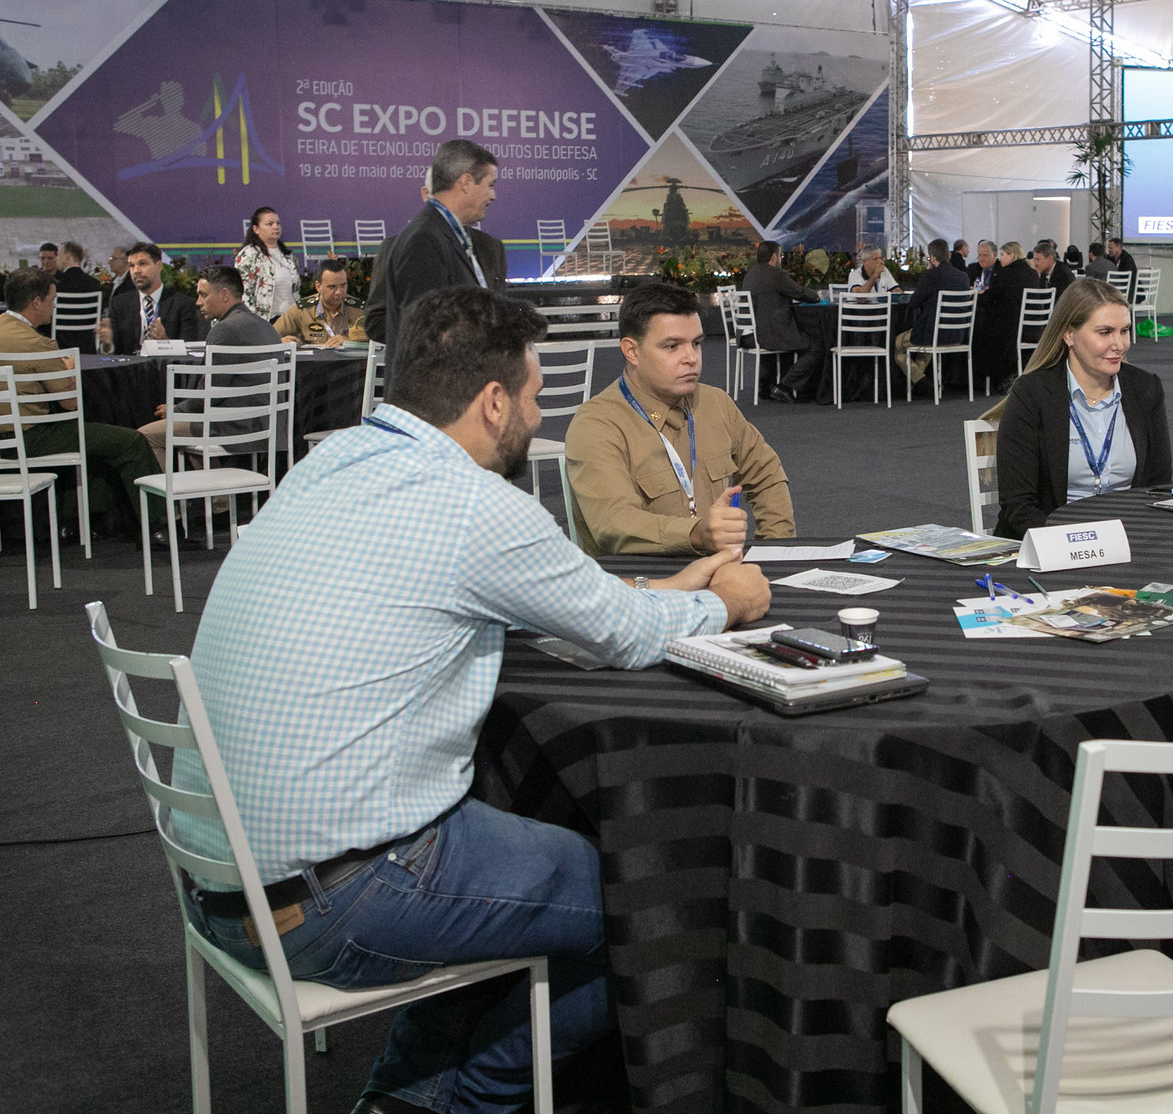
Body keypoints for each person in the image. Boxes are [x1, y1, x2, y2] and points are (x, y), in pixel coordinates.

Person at [167, 284, 770, 1114]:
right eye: (534, 396)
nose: (539, 416)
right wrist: (725, 601)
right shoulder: (475, 504)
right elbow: (626, 636)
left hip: (221, 885)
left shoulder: (329, 464)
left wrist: (671, 587)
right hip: (339, 897)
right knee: (651, 901)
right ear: (493, 402)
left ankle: (409, 1098)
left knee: (518, 870)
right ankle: (462, 1102)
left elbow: (563, 602)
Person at [567, 282, 796, 556]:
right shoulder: (597, 425)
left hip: (719, 571)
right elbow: (614, 524)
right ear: (632, 351)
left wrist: (774, 550)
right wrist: (696, 534)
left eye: (696, 343)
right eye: (672, 346)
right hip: (642, 579)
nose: (691, 358)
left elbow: (767, 475)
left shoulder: (715, 403)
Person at [0, 268, 161, 539]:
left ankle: (78, 522)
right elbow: (70, 403)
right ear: (36, 302)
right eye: (52, 300)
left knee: (91, 440)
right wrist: (68, 369)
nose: (53, 306)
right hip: (29, 438)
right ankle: (160, 527)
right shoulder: (36, 343)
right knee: (131, 442)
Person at [990, 277, 1171, 538]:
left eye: (1124, 330)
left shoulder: (1145, 389)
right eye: (1105, 332)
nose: (1119, 345)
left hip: (1126, 541)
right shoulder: (1031, 394)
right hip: (1048, 541)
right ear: (1069, 334)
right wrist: (1077, 545)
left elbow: (1158, 489)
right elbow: (1019, 506)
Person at [138, 266, 282, 469]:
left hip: (234, 427)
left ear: (224, 295)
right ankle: (214, 489)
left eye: (203, 295)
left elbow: (207, 397)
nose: (198, 302)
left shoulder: (224, 329)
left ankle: (167, 491)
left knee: (145, 437)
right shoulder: (266, 327)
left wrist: (176, 409)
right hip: (268, 425)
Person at [379, 140, 497, 378]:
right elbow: (427, 337)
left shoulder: (447, 235)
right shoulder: (424, 240)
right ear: (466, 182)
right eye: (490, 184)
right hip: (436, 395)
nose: (493, 196)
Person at [741, 239, 826, 403]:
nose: (781, 259)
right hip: (765, 334)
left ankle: (766, 384)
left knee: (790, 338)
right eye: (780, 256)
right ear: (774, 257)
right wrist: (817, 296)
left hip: (748, 334)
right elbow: (799, 292)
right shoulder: (776, 275)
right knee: (816, 346)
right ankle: (785, 386)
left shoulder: (751, 273)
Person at [893, 239, 973, 390]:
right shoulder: (963, 277)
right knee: (926, 347)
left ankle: (920, 381)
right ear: (949, 255)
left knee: (897, 343)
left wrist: (927, 273)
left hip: (934, 335)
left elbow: (913, 303)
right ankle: (918, 384)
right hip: (958, 335)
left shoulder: (931, 275)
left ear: (932, 258)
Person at [100, 242, 198, 354]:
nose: (136, 271)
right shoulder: (119, 304)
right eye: (132, 265)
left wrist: (165, 342)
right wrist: (108, 345)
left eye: (142, 264)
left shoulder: (183, 305)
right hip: (130, 364)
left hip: (165, 364)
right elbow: (114, 353)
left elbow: (190, 352)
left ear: (159, 266)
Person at [973, 241, 1031, 395]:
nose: (1000, 259)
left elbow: (989, 299)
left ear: (1011, 255)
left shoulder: (1005, 274)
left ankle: (989, 380)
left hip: (1009, 329)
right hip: (1031, 327)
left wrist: (976, 297)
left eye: (1003, 255)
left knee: (981, 332)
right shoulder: (1032, 273)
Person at [276, 257, 366, 347]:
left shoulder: (360, 310)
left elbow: (373, 339)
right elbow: (270, 335)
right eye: (332, 287)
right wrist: (280, 341)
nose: (339, 292)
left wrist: (349, 341)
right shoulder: (303, 310)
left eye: (343, 285)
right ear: (318, 286)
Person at [234, 207, 301, 322]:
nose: (276, 227)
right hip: (265, 322)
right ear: (256, 229)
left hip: (291, 319)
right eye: (269, 224)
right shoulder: (249, 255)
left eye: (278, 223)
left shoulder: (287, 256)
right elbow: (244, 294)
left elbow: (295, 292)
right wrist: (255, 323)